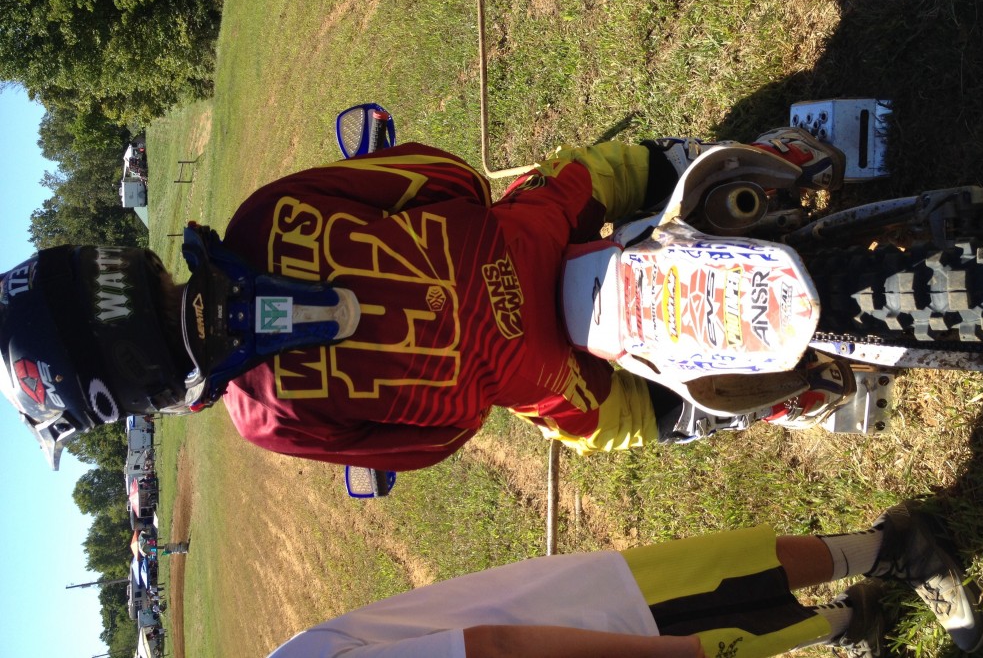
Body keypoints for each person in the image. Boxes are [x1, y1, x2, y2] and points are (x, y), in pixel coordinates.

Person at [0, 127, 851, 470]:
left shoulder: (264, 420)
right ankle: (747, 163)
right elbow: (443, 175)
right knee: (603, 169)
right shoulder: (263, 215)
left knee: (617, 424)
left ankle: (766, 399)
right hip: (531, 236)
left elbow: (437, 440)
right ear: (109, 270)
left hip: (543, 370)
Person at [268, 503, 983, 657]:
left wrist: (654, 654)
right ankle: (850, 620)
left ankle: (889, 548)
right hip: (590, 629)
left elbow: (495, 649)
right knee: (737, 634)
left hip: (587, 623)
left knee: (728, 587)